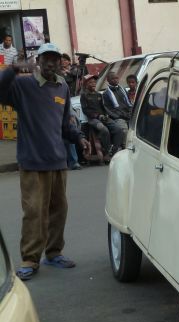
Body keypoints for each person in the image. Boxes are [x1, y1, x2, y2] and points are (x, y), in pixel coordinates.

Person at [0, 42, 90, 280]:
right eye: (46, 59)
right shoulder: (23, 85)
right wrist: (13, 69)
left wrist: (79, 138)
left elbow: (64, 124)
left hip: (58, 160)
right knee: (34, 212)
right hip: (32, 161)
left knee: (59, 210)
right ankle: (30, 258)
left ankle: (53, 252)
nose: (51, 63)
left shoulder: (62, 88)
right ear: (38, 62)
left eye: (55, 59)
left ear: (60, 62)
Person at [80, 74, 127, 156]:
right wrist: (98, 116)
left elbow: (103, 107)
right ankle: (107, 150)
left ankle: (114, 150)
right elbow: (85, 110)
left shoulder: (99, 95)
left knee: (118, 129)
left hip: (103, 117)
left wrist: (106, 115)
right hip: (93, 119)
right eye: (91, 82)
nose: (93, 84)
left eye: (94, 82)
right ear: (86, 84)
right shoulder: (84, 95)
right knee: (104, 130)